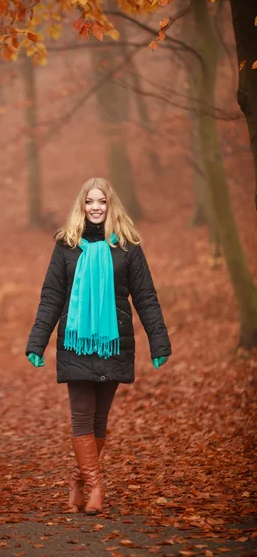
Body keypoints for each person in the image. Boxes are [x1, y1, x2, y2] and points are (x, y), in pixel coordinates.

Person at [25, 177, 171, 515]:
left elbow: (146, 297)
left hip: (113, 342)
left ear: (110, 205)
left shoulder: (128, 247)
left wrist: (159, 341)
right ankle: (96, 486)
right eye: (89, 201)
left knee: (100, 420)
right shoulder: (66, 245)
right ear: (81, 206)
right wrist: (37, 340)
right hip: (75, 341)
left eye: (101, 201)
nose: (95, 207)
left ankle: (78, 479)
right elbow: (51, 297)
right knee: (81, 416)